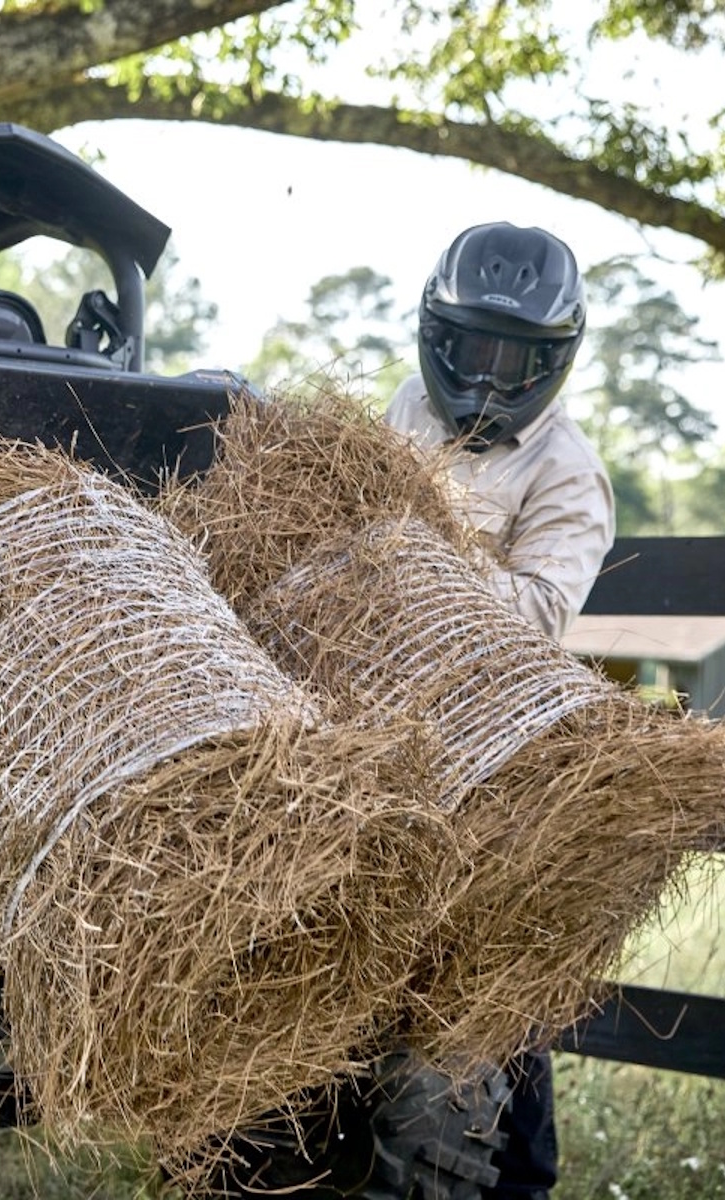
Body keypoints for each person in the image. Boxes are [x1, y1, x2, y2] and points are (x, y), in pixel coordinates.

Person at [386, 221, 616, 1200]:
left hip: (494, 746)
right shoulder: (404, 410)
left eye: (513, 357)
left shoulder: (568, 472)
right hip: (381, 724)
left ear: (550, 360)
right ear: (438, 338)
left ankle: (519, 1178)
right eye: (474, 347)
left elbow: (536, 616)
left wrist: (412, 560)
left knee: (486, 976)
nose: (488, 373)